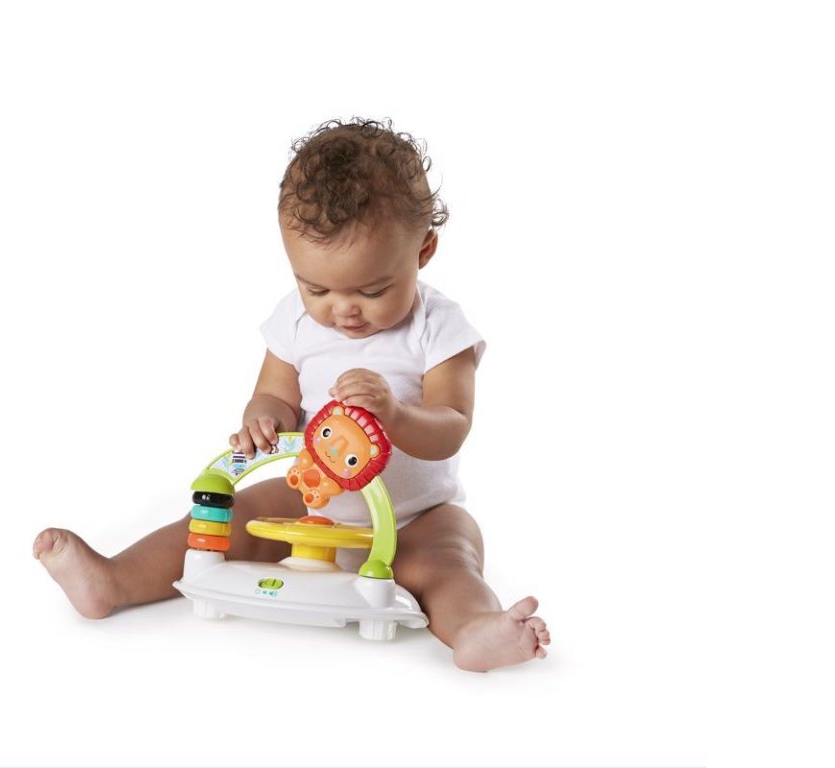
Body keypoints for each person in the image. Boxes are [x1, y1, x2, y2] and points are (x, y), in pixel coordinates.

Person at [33, 117, 551, 672]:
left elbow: (451, 426)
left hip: (415, 517)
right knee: (223, 520)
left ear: (423, 250)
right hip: (312, 502)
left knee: (449, 560)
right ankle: (112, 580)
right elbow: (274, 398)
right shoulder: (295, 321)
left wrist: (396, 414)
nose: (343, 309)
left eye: (373, 289)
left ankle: (474, 630)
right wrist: (262, 419)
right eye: (316, 287)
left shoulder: (438, 327)